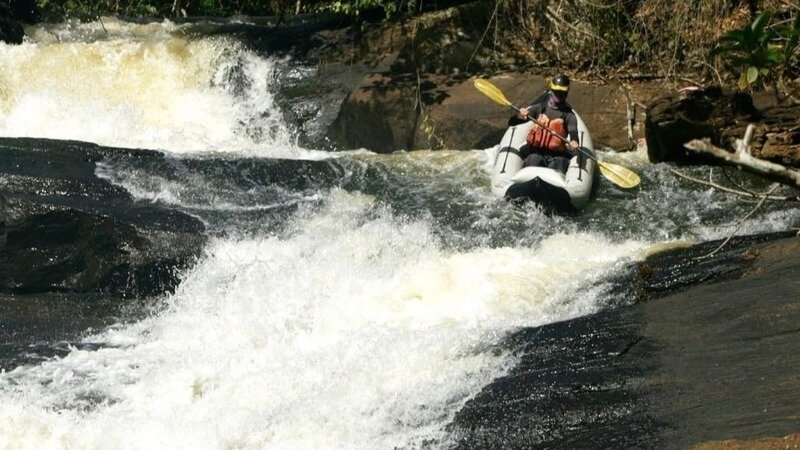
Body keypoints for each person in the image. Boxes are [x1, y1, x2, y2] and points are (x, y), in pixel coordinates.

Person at [508, 74, 580, 173]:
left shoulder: (569, 115)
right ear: (552, 90)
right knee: (535, 160)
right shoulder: (539, 108)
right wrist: (519, 116)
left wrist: (574, 141)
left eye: (562, 92)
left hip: (557, 155)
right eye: (557, 92)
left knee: (559, 163)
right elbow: (511, 122)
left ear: (566, 92)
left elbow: (573, 133)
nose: (559, 95)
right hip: (535, 151)